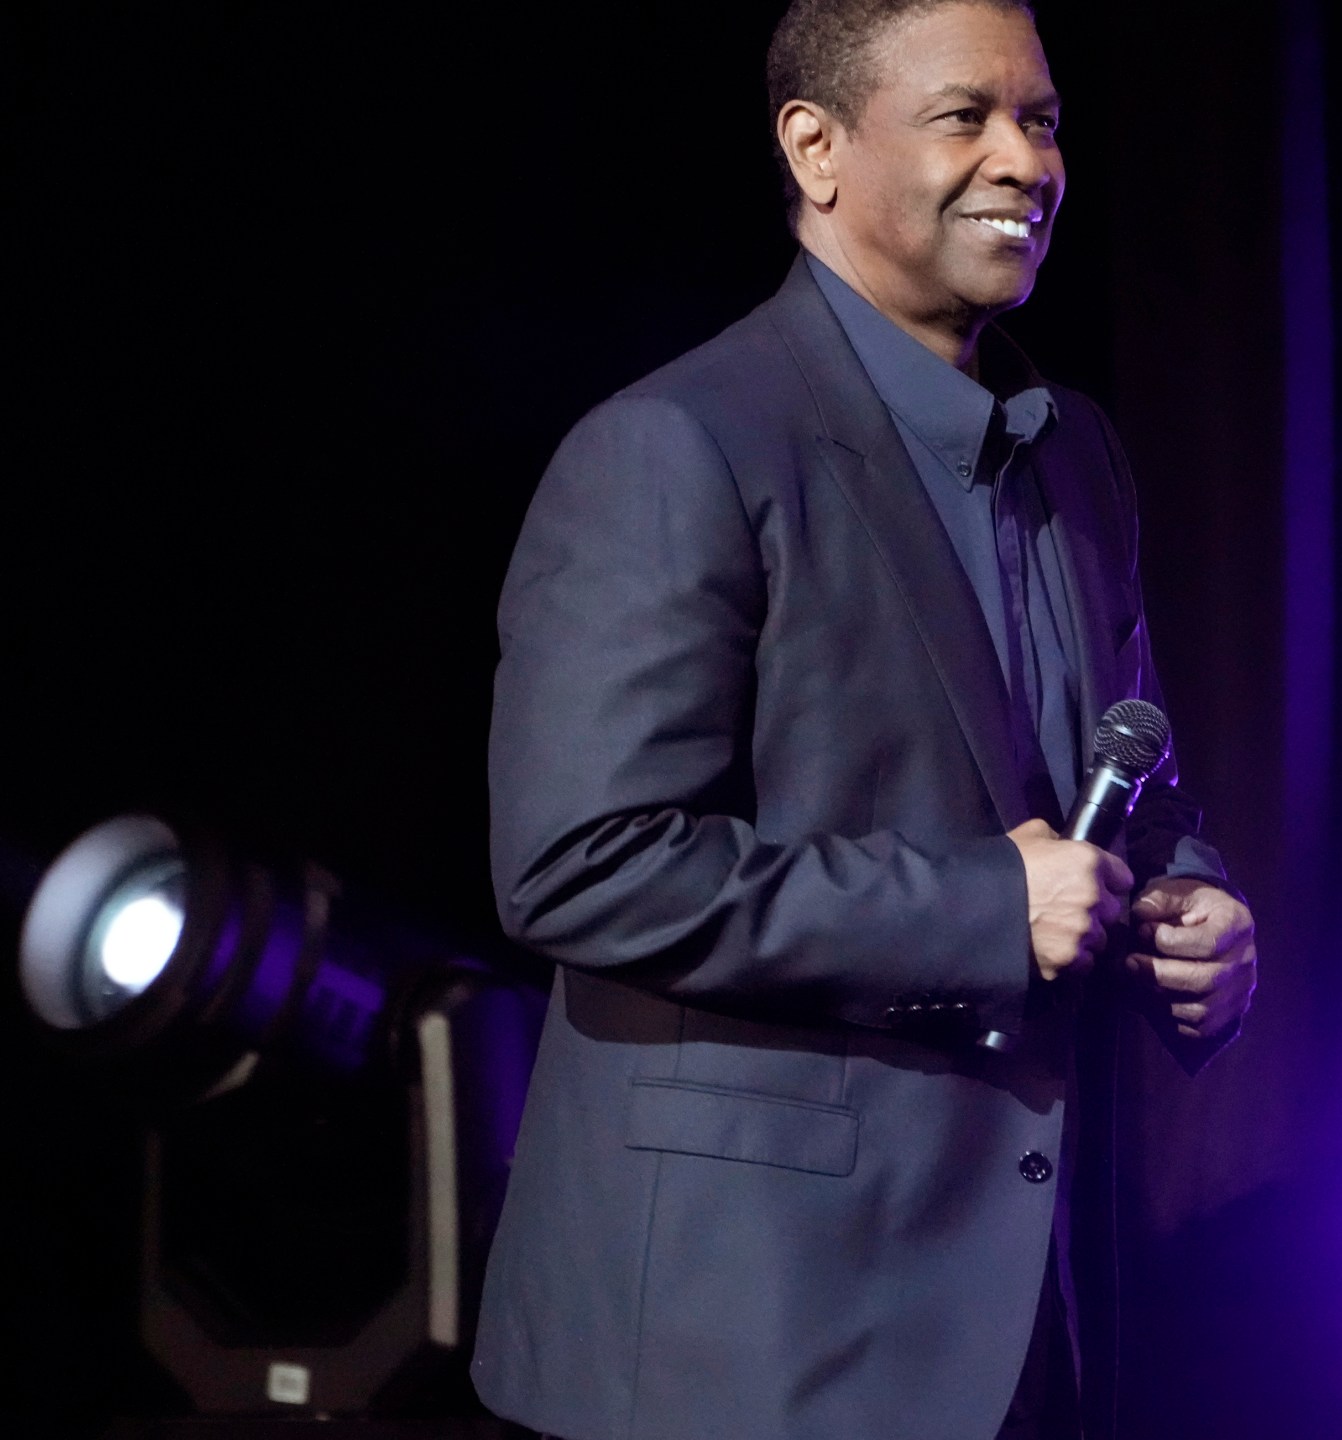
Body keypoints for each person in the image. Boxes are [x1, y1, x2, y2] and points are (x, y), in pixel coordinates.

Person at [470, 1, 1257, 1436]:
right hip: (750, 1335)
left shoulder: (1075, 451)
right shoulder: (678, 444)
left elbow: (1125, 786)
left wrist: (1190, 913)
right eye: (969, 116)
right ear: (816, 149)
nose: (1025, 160)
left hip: (1026, 1324)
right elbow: (581, 860)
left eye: (1045, 119)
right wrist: (980, 909)